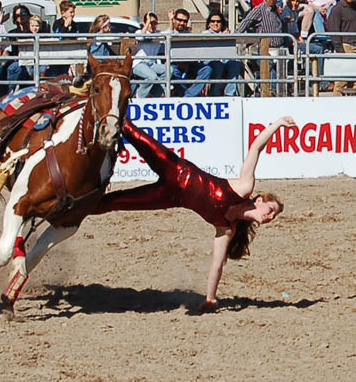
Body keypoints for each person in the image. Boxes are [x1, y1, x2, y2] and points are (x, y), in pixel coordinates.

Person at [94, 116, 295, 311]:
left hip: (171, 198)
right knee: (132, 132)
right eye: (271, 210)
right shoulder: (244, 187)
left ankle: (74, 210)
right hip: (176, 169)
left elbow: (217, 266)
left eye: (273, 217)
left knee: (114, 202)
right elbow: (255, 148)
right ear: (259, 200)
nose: (270, 217)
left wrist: (210, 298)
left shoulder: (227, 229)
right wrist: (277, 124)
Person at [327, 0, 356, 94]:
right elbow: (334, 31)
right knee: (341, 81)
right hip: (345, 47)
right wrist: (340, 50)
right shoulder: (337, 10)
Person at [167, 8, 213, 97]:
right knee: (173, 71)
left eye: (184, 21)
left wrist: (188, 63)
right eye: (179, 20)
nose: (181, 23)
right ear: (174, 20)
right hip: (174, 64)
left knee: (207, 69)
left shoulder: (189, 35)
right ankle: (185, 95)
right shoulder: (168, 32)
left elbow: (195, 53)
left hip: (189, 64)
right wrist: (170, 21)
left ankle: (188, 96)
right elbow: (169, 36)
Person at [203, 12, 242, 96]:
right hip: (209, 62)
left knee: (235, 63)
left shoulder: (226, 34)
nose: (216, 23)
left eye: (218, 21)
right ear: (209, 24)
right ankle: (214, 93)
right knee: (218, 65)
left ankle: (229, 93)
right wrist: (222, 38)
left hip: (224, 61)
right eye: (213, 21)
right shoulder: (205, 34)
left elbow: (231, 52)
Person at [132, 12, 167, 98]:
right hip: (139, 63)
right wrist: (147, 23)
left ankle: (156, 94)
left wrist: (170, 19)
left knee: (168, 70)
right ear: (145, 23)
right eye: (151, 23)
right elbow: (140, 37)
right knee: (152, 77)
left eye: (155, 23)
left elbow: (169, 33)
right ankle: (139, 96)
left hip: (151, 64)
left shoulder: (158, 34)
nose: (153, 25)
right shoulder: (140, 31)